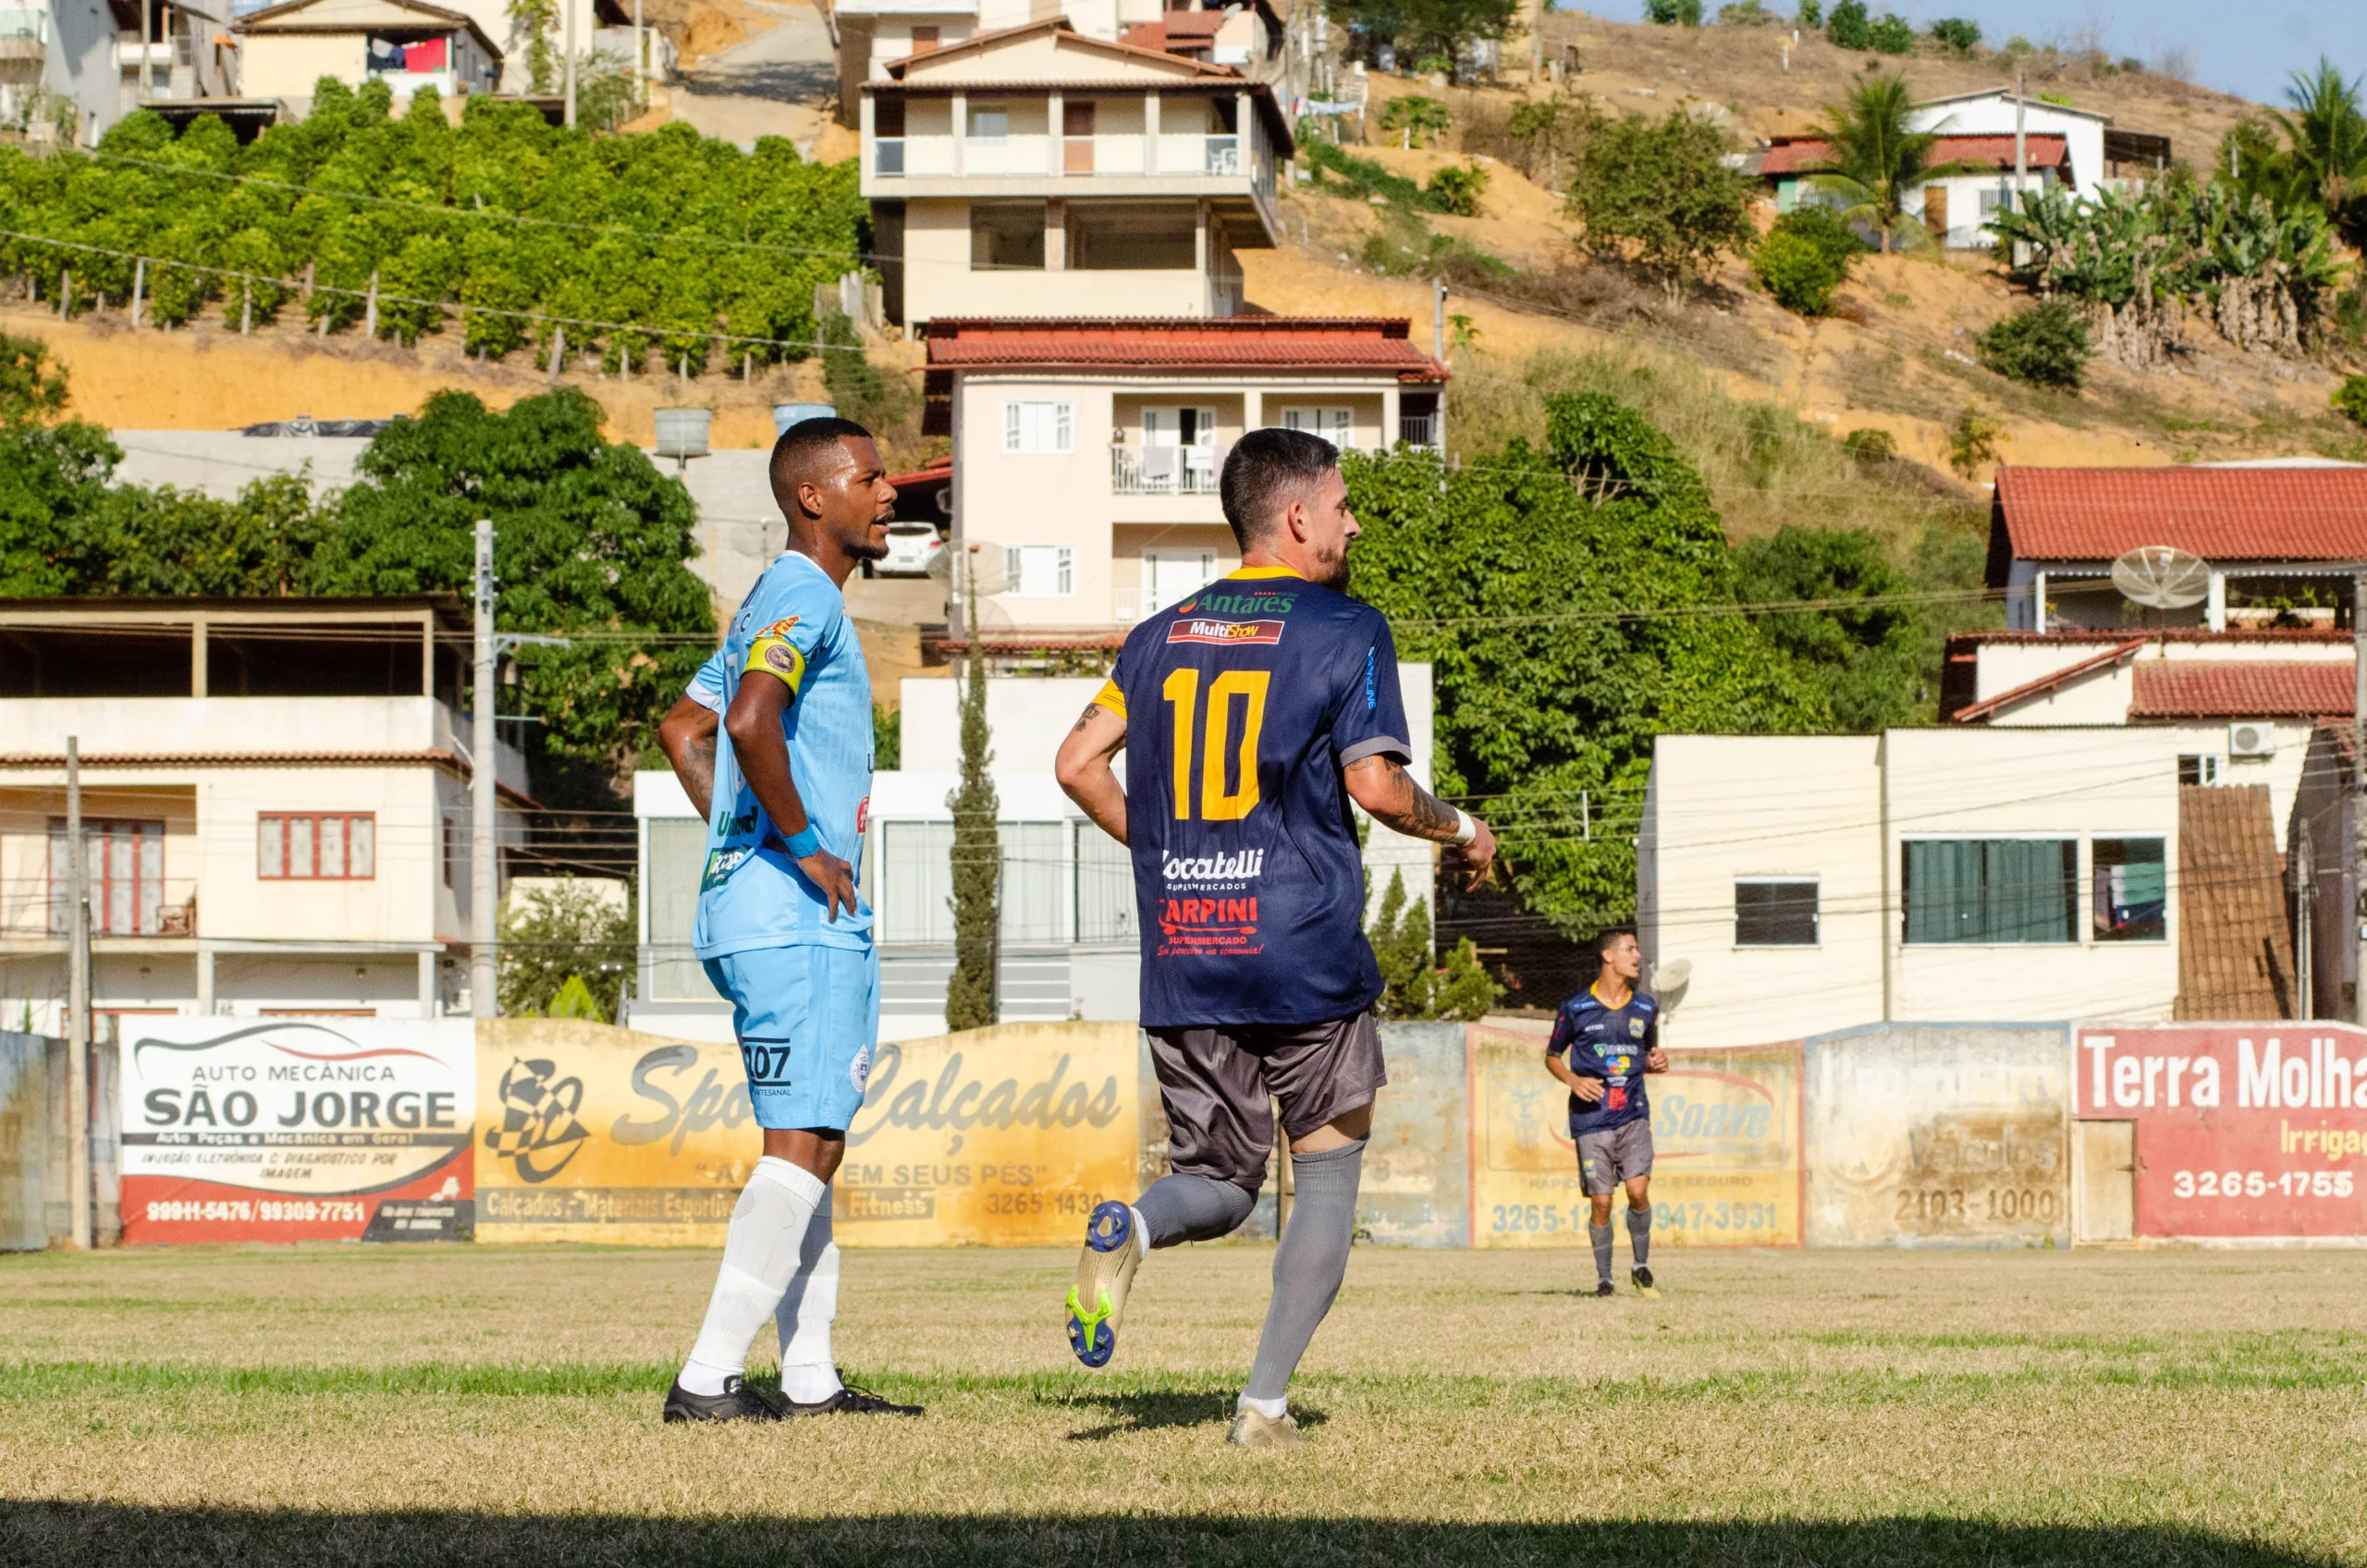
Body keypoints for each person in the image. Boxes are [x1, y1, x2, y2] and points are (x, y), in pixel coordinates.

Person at [1054, 426, 1495, 1451]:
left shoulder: (1156, 635)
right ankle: (1260, 1407)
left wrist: (1165, 853)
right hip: (1302, 948)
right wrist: (1465, 829)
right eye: (1342, 505)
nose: (1351, 521)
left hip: (1186, 950)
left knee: (1217, 1179)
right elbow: (1377, 787)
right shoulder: (1346, 628)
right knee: (1327, 1178)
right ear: (1296, 516)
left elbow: (1078, 761)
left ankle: (1138, 1223)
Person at [658, 416, 922, 1424]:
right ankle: (708, 1376)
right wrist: (799, 845)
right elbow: (746, 719)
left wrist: (743, 841)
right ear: (815, 497)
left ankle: (808, 1379)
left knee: (816, 1144)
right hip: (795, 912)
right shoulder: (806, 593)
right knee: (798, 1142)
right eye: (871, 477)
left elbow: (683, 725)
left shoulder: (779, 597)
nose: (889, 491)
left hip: (765, 904)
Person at [1544, 927, 1670, 1300]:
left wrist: (1656, 1061)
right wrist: (1572, 1079)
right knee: (1602, 1201)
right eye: (1630, 949)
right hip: (1591, 1119)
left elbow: (1647, 1054)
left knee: (1638, 1189)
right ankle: (1605, 1279)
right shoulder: (1575, 1007)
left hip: (1633, 1114)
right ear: (1608, 956)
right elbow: (1552, 1056)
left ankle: (1641, 1267)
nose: (1638, 956)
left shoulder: (1646, 1007)